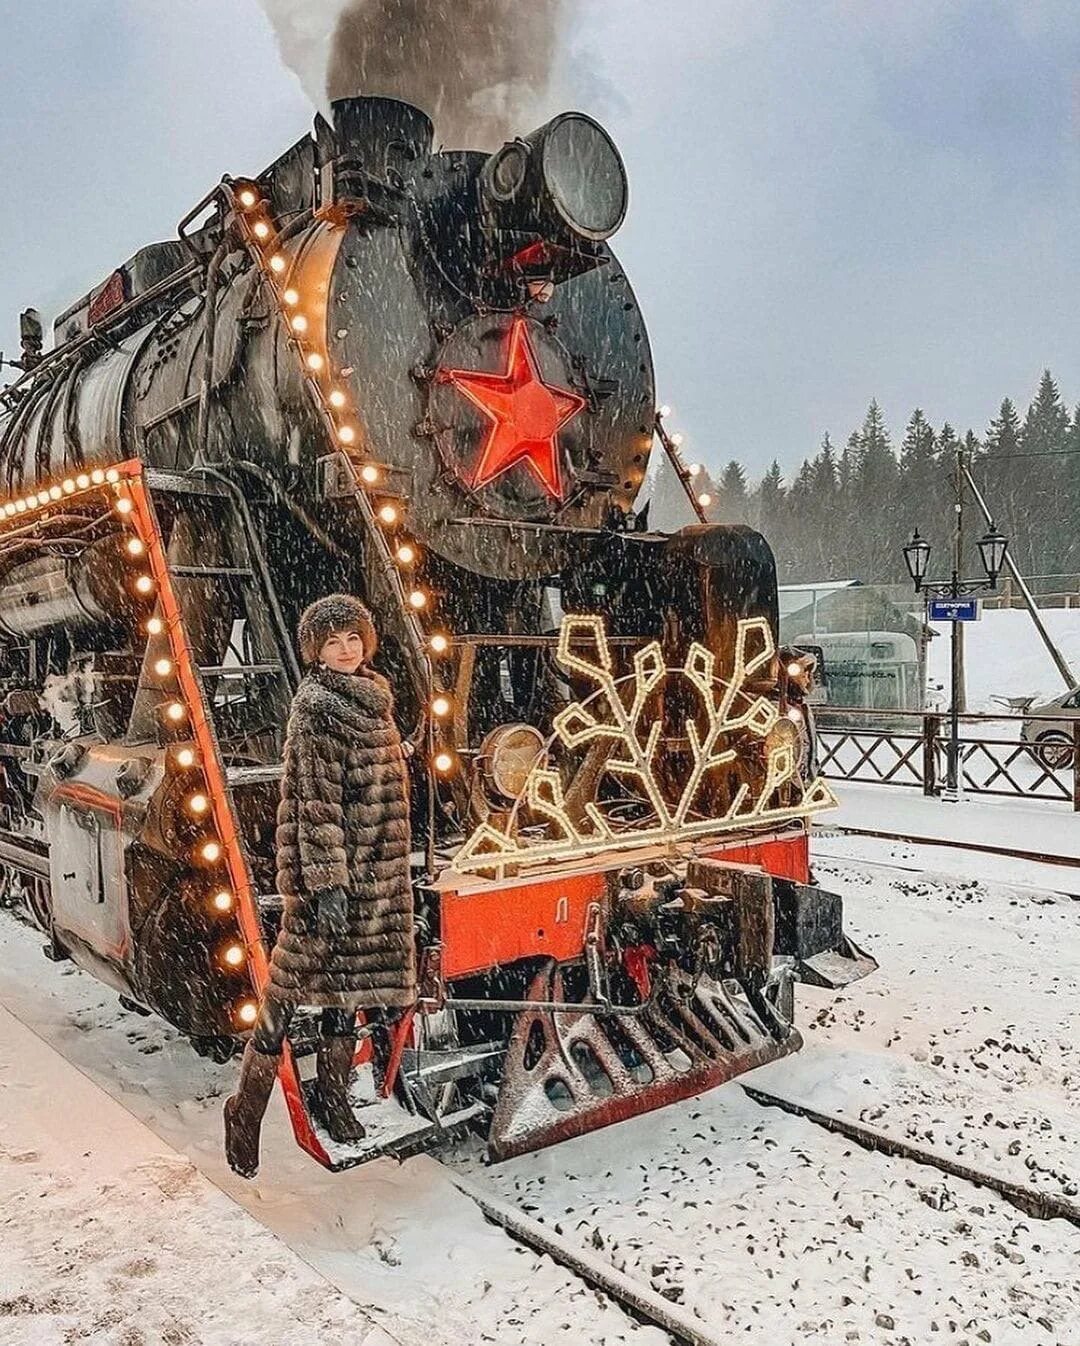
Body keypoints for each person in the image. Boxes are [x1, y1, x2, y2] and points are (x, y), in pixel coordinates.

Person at [224, 593, 415, 1178]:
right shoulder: (317, 710)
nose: (346, 649)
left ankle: (333, 1099)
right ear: (316, 651)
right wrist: (327, 883)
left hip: (375, 878)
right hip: (329, 882)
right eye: (332, 641)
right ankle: (245, 1110)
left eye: (353, 637)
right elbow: (314, 804)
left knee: (344, 997)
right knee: (283, 999)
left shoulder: (374, 698)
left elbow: (373, 787)